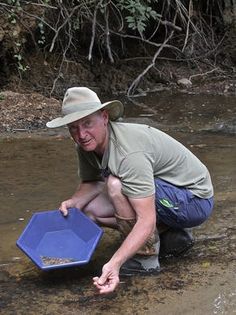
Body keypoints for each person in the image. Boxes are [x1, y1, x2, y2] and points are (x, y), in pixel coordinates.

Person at [46, 87, 214, 295]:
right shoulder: (86, 145)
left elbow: (146, 219)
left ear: (104, 118)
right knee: (89, 210)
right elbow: (93, 182)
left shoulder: (128, 153)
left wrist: (114, 263)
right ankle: (171, 234)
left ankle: (145, 259)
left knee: (117, 185)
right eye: (73, 127)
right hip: (167, 192)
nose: (81, 134)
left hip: (194, 199)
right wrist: (74, 202)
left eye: (87, 123)